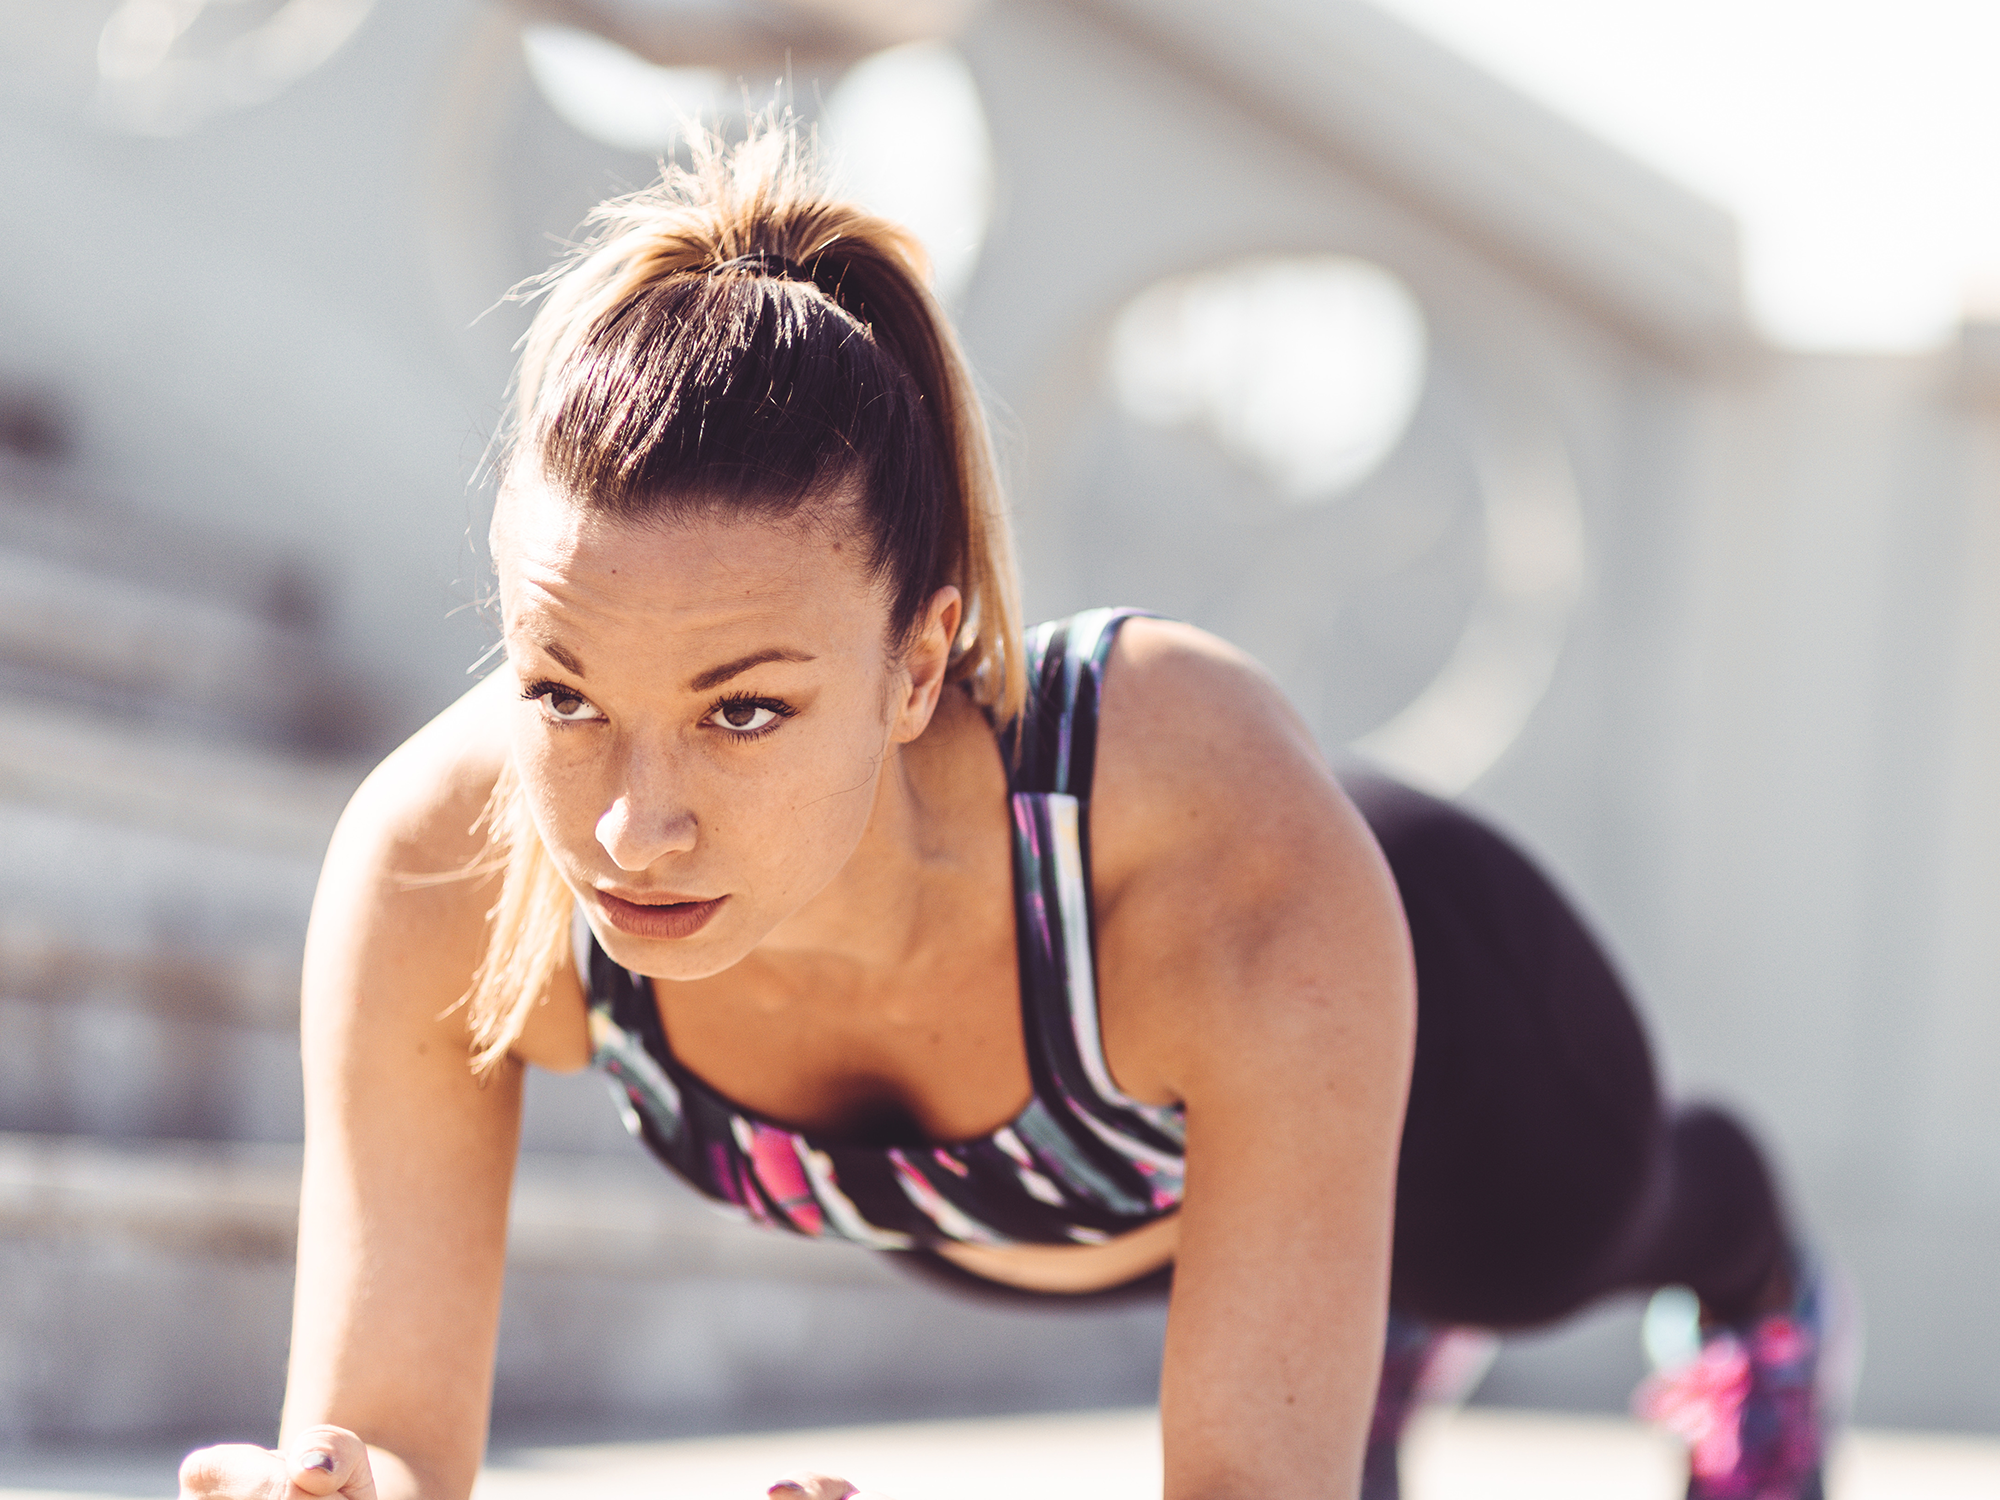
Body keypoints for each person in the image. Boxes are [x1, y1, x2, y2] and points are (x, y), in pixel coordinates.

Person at [177, 121, 1849, 1500]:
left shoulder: (1214, 851)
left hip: (1446, 1036)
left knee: (1538, 1245)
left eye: (744, 710)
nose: (628, 831)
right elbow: (387, 1440)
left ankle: (1749, 1262)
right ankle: (1355, 1335)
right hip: (1070, 1202)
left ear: (923, 661)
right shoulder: (445, 864)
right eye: (561, 695)